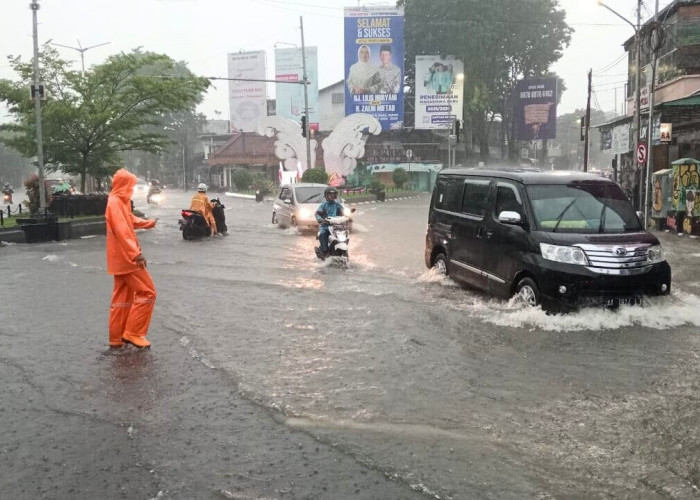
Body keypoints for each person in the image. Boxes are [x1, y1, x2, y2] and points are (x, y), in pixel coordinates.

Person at [105, 169, 157, 349]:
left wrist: (147, 223)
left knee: (121, 299)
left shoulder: (118, 201)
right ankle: (133, 333)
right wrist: (135, 253)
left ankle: (116, 338)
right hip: (127, 259)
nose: (133, 189)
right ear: (124, 185)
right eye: (131, 185)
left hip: (120, 258)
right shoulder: (115, 202)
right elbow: (122, 230)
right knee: (148, 292)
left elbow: (128, 220)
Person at [314, 186, 346, 259]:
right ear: (326, 195)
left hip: (337, 227)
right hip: (326, 226)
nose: (332, 196)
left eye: (334, 194)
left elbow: (343, 212)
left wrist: (347, 216)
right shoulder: (323, 205)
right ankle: (324, 251)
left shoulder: (338, 205)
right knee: (323, 234)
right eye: (330, 194)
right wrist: (321, 220)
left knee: (345, 235)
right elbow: (317, 214)